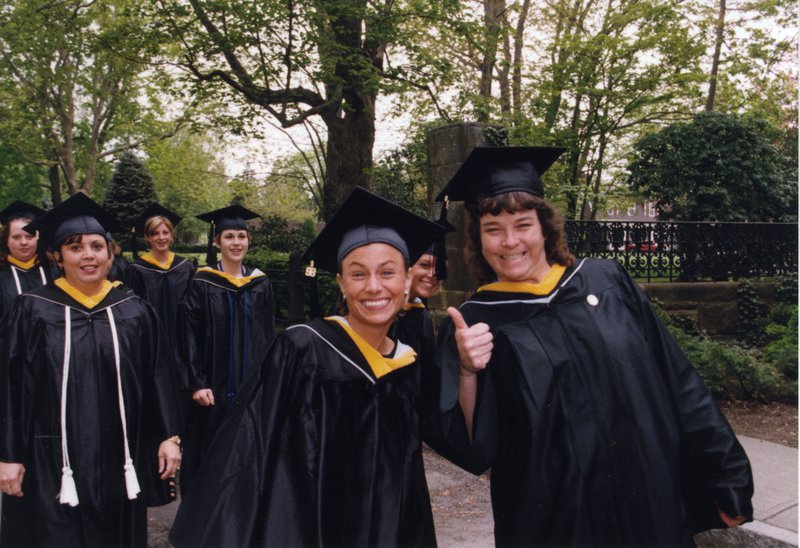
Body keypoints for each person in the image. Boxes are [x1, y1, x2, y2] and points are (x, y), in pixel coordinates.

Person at [429, 146, 754, 546]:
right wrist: (466, 371)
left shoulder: (606, 281)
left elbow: (679, 381)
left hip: (647, 500)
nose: (509, 242)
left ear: (545, 228)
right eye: (493, 228)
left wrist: (728, 474)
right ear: (478, 239)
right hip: (556, 521)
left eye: (523, 224)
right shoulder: (476, 321)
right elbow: (474, 448)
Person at [169, 187, 444, 547]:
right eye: (358, 274)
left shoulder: (406, 363)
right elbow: (250, 454)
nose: (374, 286)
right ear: (342, 284)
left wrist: (467, 370)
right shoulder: (302, 348)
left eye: (388, 272)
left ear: (407, 280)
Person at [0, 192, 182, 548]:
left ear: (110, 252)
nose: (88, 255)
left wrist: (169, 436)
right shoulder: (32, 311)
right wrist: (9, 456)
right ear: (56, 256)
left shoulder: (133, 310)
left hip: (120, 456)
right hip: (51, 458)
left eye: (97, 246)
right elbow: (11, 386)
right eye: (75, 247)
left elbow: (158, 374)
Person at [177, 204, 275, 494]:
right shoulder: (201, 283)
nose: (236, 243)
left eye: (241, 236)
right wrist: (197, 383)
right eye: (229, 236)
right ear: (217, 241)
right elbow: (189, 337)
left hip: (250, 388)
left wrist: (267, 382)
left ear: (249, 241)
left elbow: (268, 335)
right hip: (213, 390)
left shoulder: (260, 283)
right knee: (209, 455)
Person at [125, 203, 195, 368]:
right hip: (152, 339)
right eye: (155, 233)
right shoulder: (137, 270)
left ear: (171, 235)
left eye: (165, 232)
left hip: (182, 338)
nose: (161, 237)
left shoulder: (185, 267)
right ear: (147, 238)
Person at [0, 201, 51, 321]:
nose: (23, 242)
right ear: (6, 240)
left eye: (29, 236)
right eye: (16, 237)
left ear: (38, 238)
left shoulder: (54, 271)